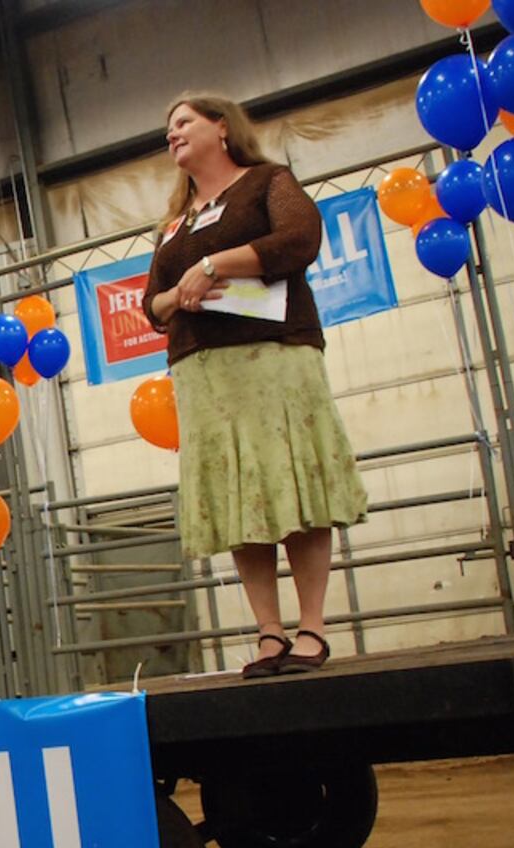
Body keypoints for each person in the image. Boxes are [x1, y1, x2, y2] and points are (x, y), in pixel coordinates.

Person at [141, 93, 368, 679]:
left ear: (221, 128)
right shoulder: (174, 225)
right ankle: (269, 631)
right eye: (168, 129)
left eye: (183, 122)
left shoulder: (268, 182)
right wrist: (179, 292)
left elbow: (300, 239)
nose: (173, 134)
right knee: (241, 497)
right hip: (203, 372)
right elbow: (152, 304)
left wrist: (216, 265)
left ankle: (312, 628)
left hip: (276, 356)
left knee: (292, 481)